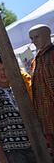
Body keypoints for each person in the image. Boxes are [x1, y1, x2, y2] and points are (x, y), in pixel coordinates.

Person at [0, 56, 35, 163]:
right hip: (11, 150)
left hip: (29, 146)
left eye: (5, 68)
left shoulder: (18, 89)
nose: (3, 72)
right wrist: (0, 154)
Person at [28, 24, 53, 155]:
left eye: (36, 37)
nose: (34, 41)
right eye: (31, 38)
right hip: (44, 120)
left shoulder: (52, 55)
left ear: (47, 35)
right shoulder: (35, 61)